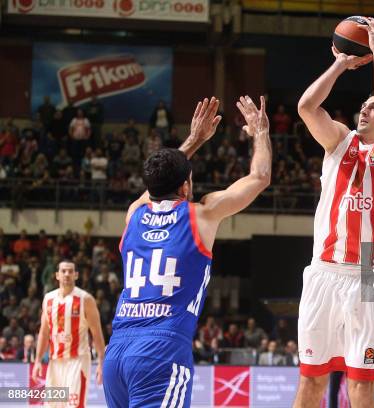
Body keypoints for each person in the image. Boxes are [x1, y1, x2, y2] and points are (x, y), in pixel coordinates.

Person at [102, 95, 271, 408]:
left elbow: (156, 180)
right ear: (184, 187)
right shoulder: (201, 214)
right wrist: (260, 133)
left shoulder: (134, 215)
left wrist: (193, 140)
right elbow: (259, 178)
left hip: (118, 352)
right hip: (160, 351)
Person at [293, 17, 374, 408]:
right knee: (311, 382)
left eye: (372, 107)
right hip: (325, 271)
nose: (365, 110)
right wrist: (341, 64)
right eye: (363, 105)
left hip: (370, 277)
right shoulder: (339, 142)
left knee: (361, 387)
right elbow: (307, 106)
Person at [32, 260, 106, 407]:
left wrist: (101, 363)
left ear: (76, 275)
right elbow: (44, 332)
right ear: (57, 275)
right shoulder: (48, 299)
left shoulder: (86, 299)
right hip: (55, 361)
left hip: (77, 361)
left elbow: (96, 332)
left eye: (70, 271)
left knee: (74, 405)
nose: (67, 274)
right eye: (63, 271)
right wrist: (38, 360)